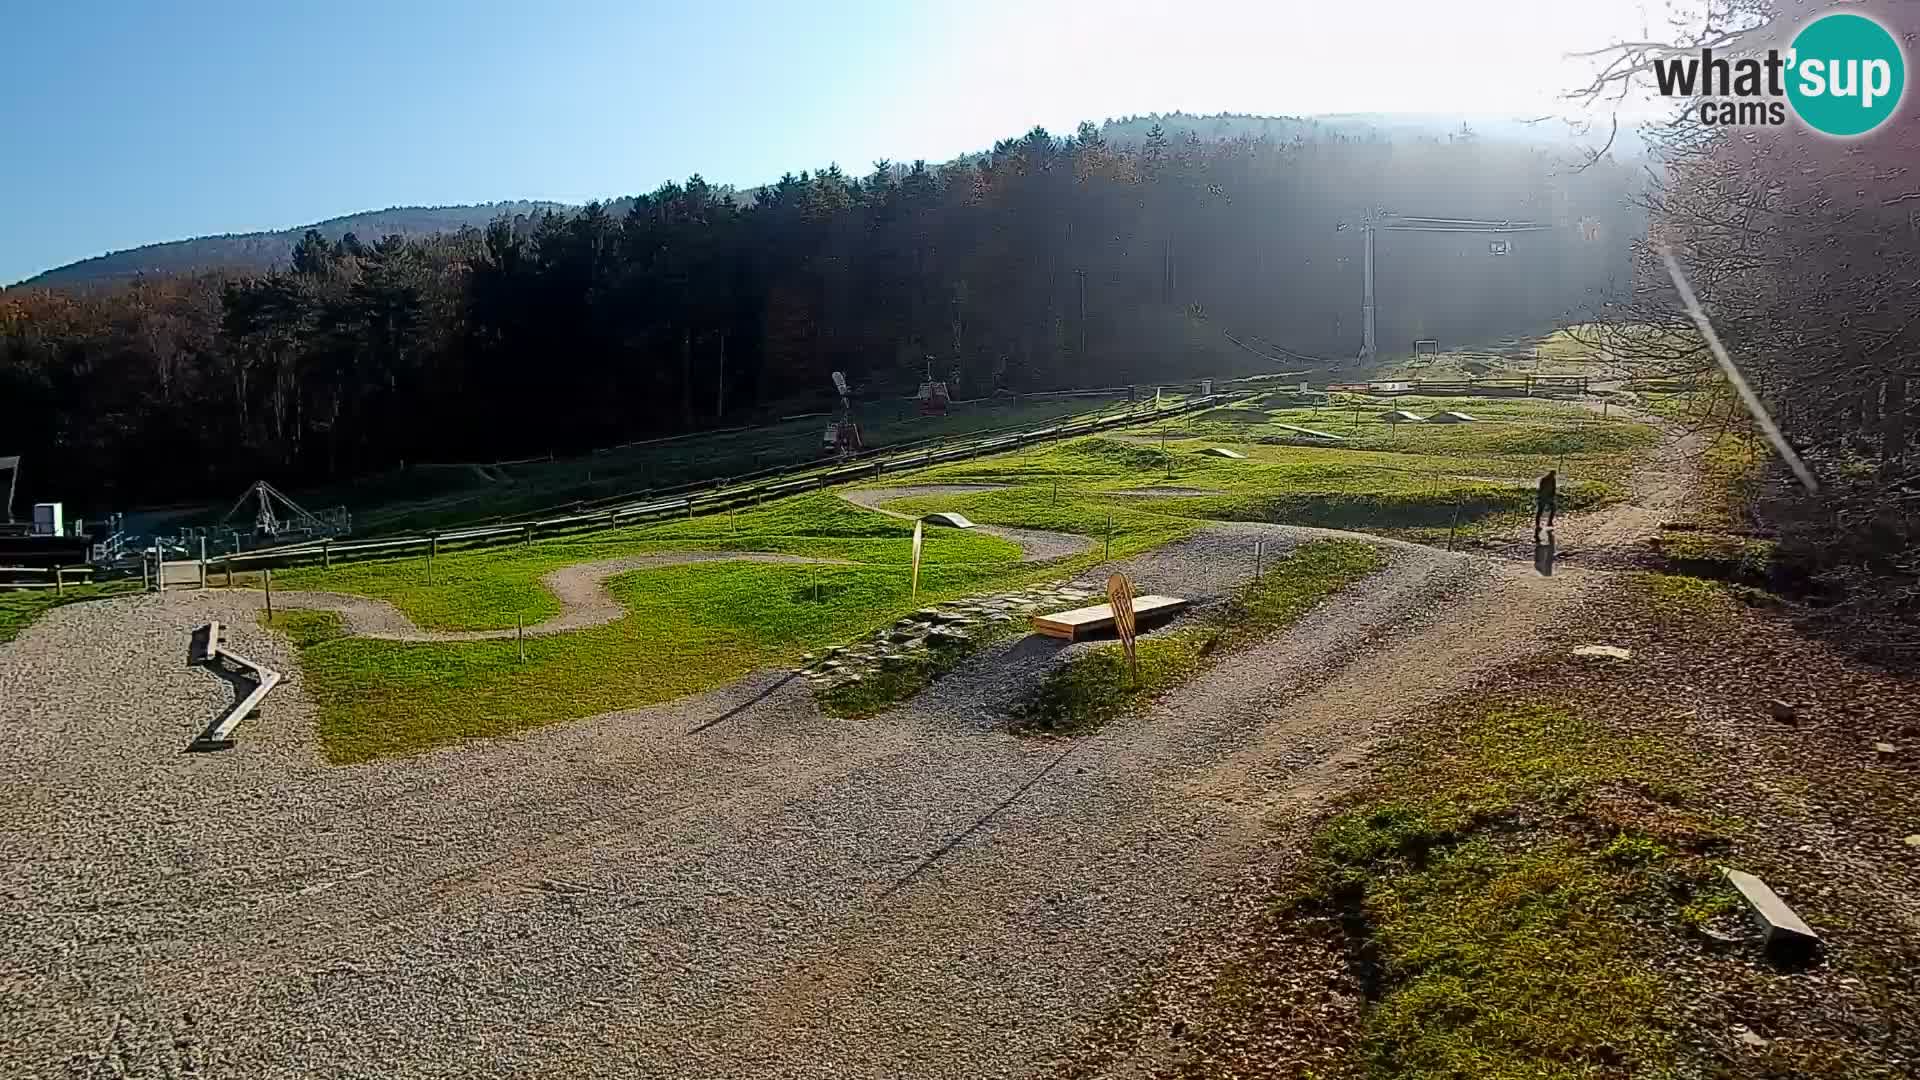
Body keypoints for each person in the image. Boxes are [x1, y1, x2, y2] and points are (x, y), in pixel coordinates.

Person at [1535, 469, 1557, 539]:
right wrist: (1541, 497)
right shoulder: (1544, 479)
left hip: (1549, 497)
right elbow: (1540, 489)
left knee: (1553, 508)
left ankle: (1550, 522)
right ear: (1549, 474)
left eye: (1553, 475)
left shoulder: (1553, 480)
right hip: (1543, 497)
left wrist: (1552, 496)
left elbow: (1554, 489)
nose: (1552, 476)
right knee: (1540, 511)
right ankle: (1537, 525)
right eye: (1551, 475)